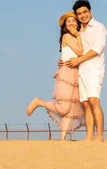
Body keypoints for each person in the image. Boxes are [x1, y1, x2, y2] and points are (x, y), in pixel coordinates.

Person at [26, 12, 86, 141]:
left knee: (72, 108)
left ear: (77, 23)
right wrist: (77, 34)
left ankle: (63, 138)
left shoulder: (76, 37)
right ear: (64, 25)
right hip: (67, 72)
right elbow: (80, 52)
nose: (70, 23)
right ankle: (39, 102)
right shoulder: (68, 36)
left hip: (76, 72)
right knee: (64, 106)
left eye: (73, 21)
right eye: (68, 21)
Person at [60, 0, 107, 142]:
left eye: (85, 12)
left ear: (90, 12)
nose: (83, 15)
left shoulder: (98, 27)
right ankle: (89, 136)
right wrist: (64, 61)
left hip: (94, 69)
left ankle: (99, 136)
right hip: (81, 70)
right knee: (86, 104)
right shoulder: (78, 30)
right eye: (79, 13)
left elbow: (96, 50)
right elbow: (74, 51)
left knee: (94, 100)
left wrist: (78, 60)